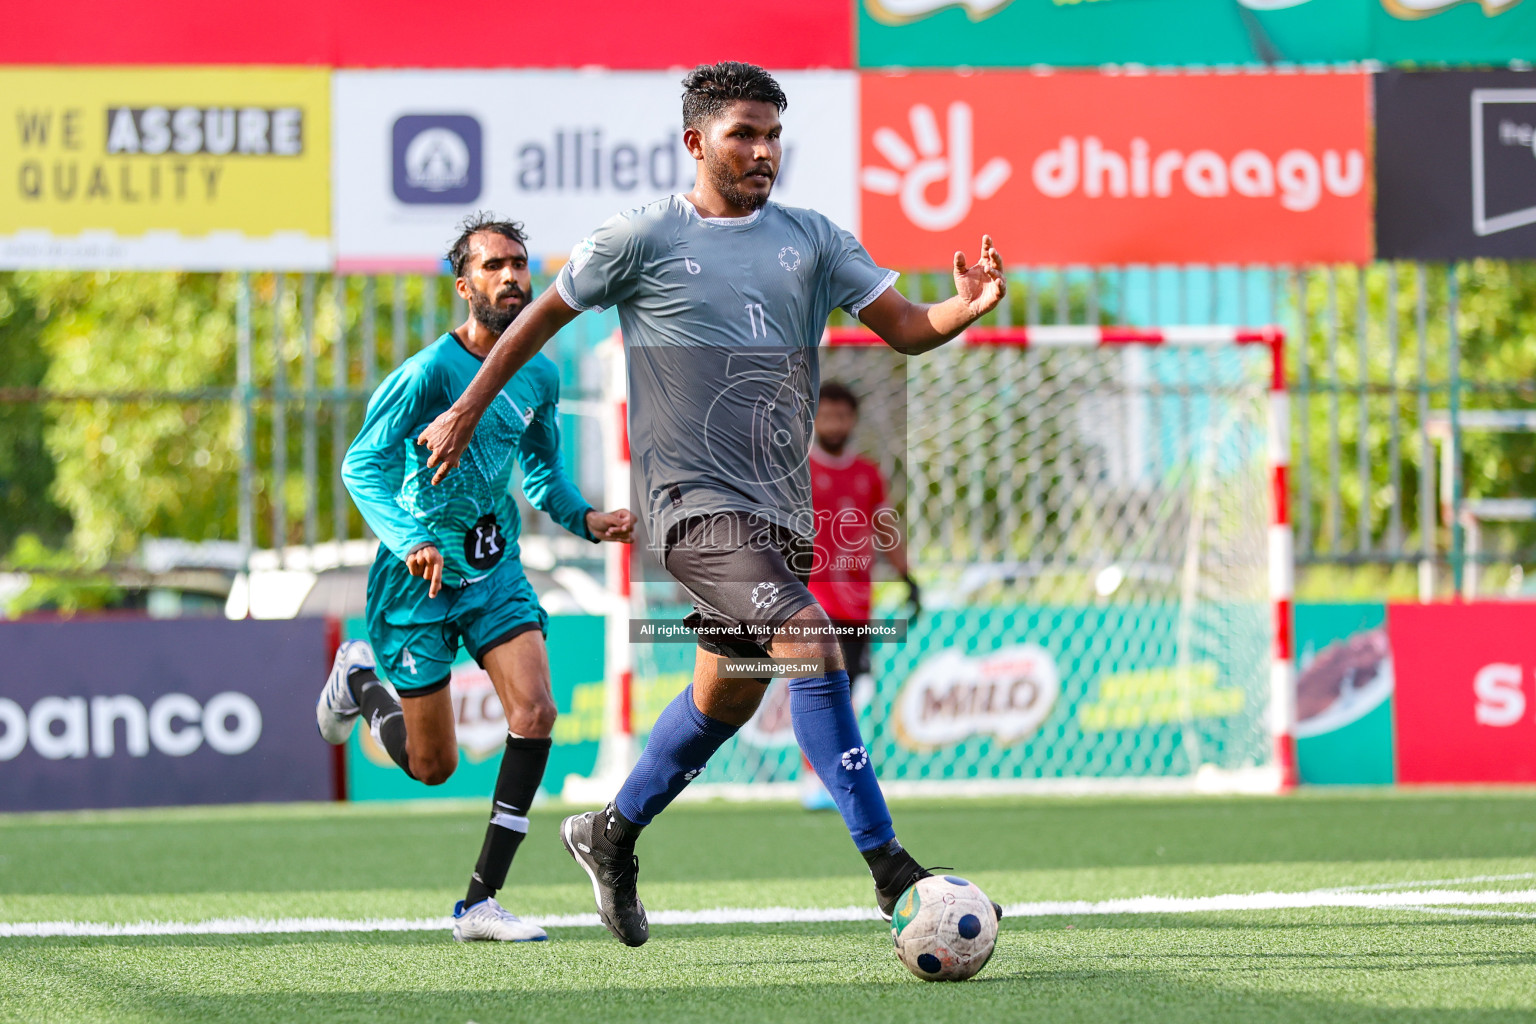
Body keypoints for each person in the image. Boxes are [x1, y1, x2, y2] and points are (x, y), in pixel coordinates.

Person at [417, 62, 1005, 948]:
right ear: (696, 142)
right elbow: (538, 321)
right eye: (744, 134)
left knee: (725, 696)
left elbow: (907, 328)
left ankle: (608, 834)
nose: (764, 151)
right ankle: (891, 867)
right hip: (689, 506)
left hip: (779, 515)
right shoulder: (642, 236)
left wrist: (963, 305)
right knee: (810, 638)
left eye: (773, 134)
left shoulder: (813, 238)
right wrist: (465, 410)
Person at [315, 213, 635, 943]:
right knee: (432, 766)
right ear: (465, 286)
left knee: (537, 712)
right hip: (416, 580)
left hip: (493, 570)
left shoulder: (542, 374)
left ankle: (480, 903)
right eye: (493, 266)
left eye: (519, 264)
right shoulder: (429, 373)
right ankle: (359, 682)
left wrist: (587, 519)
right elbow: (360, 466)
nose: (512, 277)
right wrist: (410, 538)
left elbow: (543, 472)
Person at [800, 379, 920, 811]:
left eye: (842, 415)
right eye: (826, 415)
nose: (834, 423)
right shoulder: (798, 470)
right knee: (818, 686)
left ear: (852, 420)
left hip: (856, 602)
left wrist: (908, 577)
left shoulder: (868, 474)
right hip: (808, 601)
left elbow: (885, 530)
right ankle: (814, 778)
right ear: (814, 419)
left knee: (847, 691)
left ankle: (830, 774)